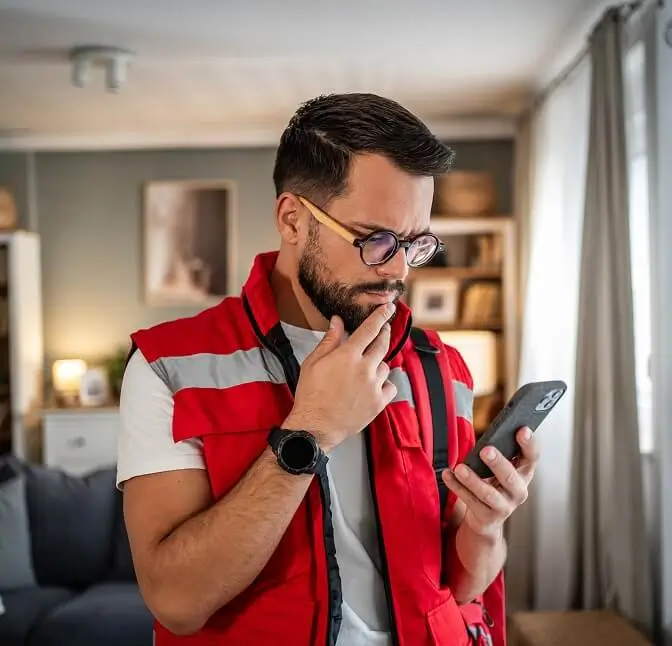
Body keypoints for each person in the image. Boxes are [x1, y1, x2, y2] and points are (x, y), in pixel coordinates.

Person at [117, 92, 539, 646]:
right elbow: (176, 603)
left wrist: (486, 527)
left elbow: (458, 588)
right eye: (375, 240)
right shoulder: (168, 367)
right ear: (292, 220)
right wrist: (309, 430)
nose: (397, 270)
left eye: (415, 245)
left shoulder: (442, 369)